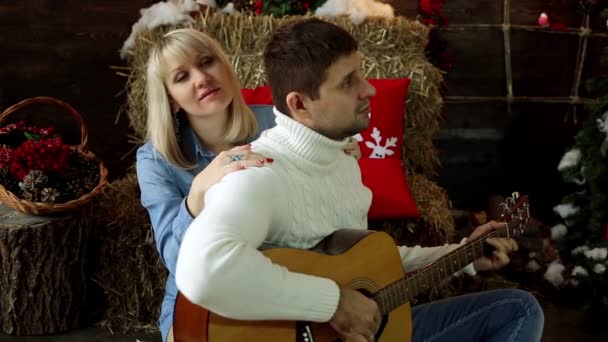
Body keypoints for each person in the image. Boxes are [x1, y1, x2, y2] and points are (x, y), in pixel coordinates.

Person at [175, 18, 544, 342]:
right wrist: (332, 303)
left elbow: (363, 266)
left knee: (516, 308)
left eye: (361, 74)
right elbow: (202, 271)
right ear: (299, 104)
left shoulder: (343, 161)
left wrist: (459, 256)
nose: (369, 90)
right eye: (348, 81)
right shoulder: (260, 175)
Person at [136, 28, 360, 342]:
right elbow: (175, 261)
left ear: (226, 67)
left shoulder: (279, 121)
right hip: (198, 302)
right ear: (171, 100)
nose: (201, 78)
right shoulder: (155, 160)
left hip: (287, 282)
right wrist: (199, 192)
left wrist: (334, 149)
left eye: (207, 62)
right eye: (182, 76)